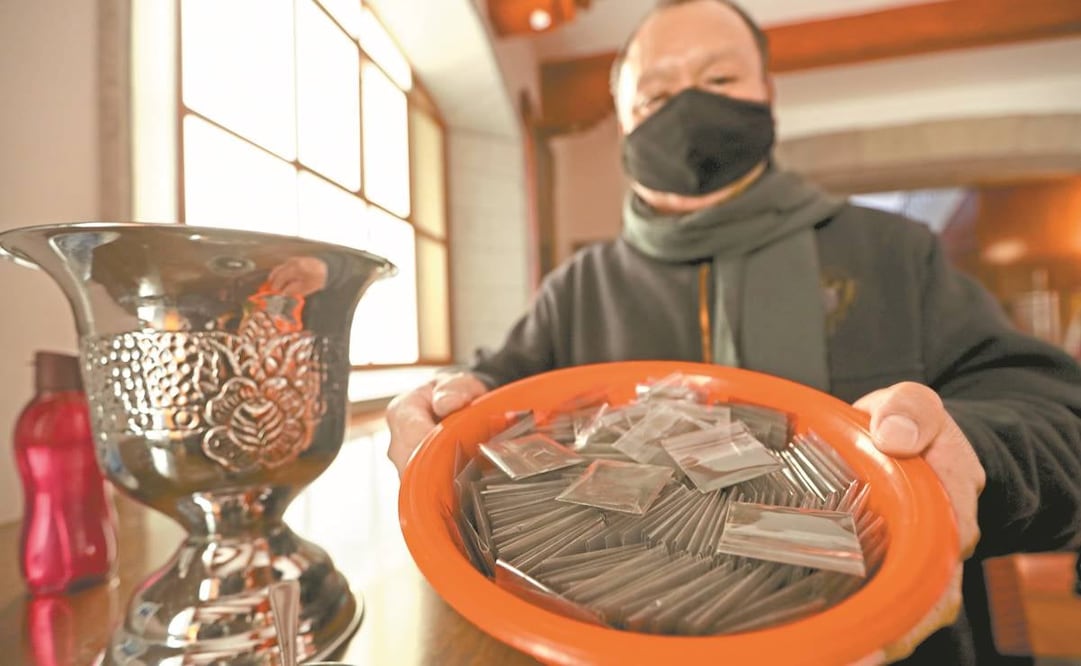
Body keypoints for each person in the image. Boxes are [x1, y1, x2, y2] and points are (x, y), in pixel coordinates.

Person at [386, 0, 1081, 663]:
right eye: (654, 97)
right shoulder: (577, 287)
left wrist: (973, 451)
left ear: (766, 93)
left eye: (718, 78)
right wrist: (438, 408)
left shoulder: (895, 253)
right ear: (623, 123)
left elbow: (1056, 414)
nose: (688, 105)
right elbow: (488, 401)